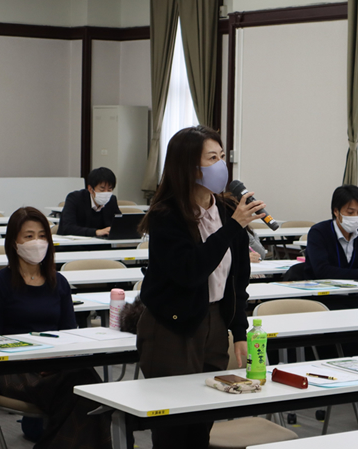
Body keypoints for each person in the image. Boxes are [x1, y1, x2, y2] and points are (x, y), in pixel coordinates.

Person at [121, 125, 261, 449]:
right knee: (173, 429)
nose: (221, 165)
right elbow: (190, 271)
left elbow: (238, 279)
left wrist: (239, 332)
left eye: (222, 157)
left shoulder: (227, 210)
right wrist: (233, 228)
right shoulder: (166, 215)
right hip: (171, 328)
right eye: (212, 158)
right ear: (188, 167)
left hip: (214, 325)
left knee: (201, 425)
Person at [0, 207, 110, 449]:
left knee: (92, 391)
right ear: (14, 242)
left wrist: (54, 358)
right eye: (28, 236)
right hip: (15, 367)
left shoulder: (58, 282)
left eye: (42, 235)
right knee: (80, 396)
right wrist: (33, 357)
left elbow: (69, 332)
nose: (37, 242)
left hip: (55, 363)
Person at [303, 185, 358, 280]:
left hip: (352, 290)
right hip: (319, 289)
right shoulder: (319, 232)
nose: (355, 217)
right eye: (350, 212)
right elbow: (322, 271)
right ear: (336, 211)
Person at [58, 167, 122, 237]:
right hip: (75, 245)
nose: (106, 193)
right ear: (90, 189)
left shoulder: (111, 200)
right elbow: (68, 227)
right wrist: (96, 232)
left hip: (101, 244)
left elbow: (119, 223)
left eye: (109, 190)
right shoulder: (75, 198)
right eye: (102, 190)